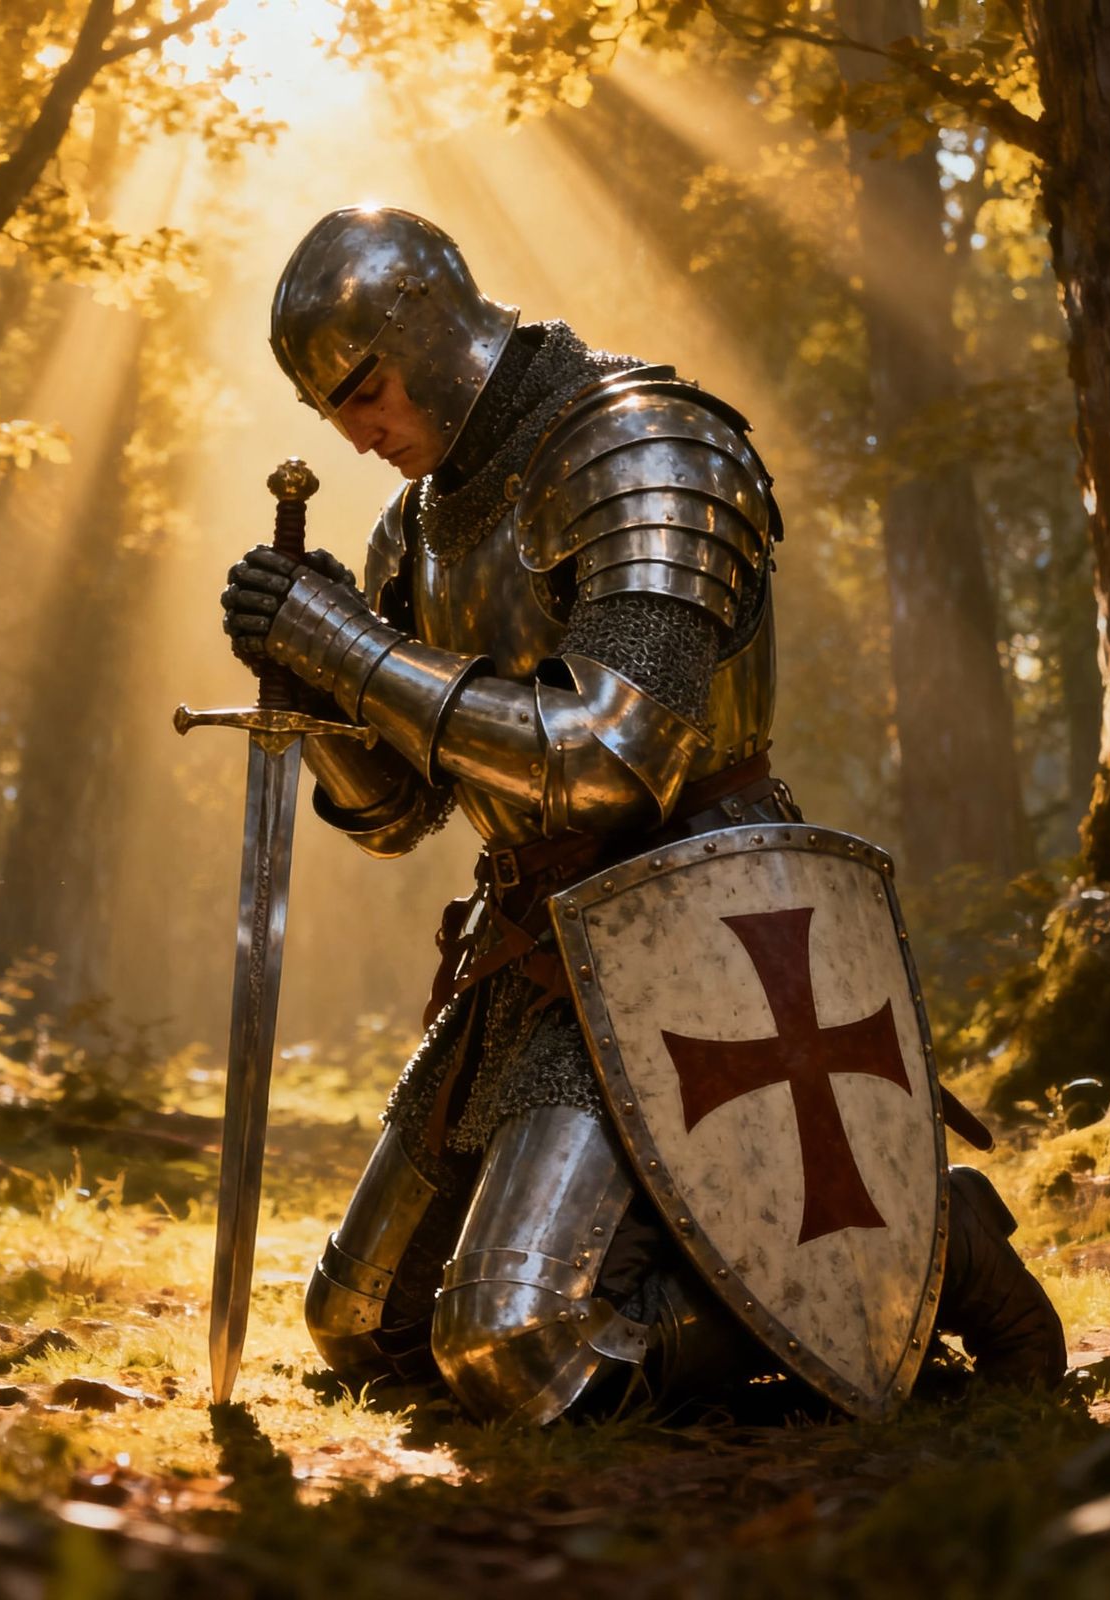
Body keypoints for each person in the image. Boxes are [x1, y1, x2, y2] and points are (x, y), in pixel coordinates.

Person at [221, 206, 1064, 1424]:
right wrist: (321, 684)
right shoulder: (414, 527)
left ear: (433, 327)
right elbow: (404, 807)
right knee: (359, 1324)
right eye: (331, 414)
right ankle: (773, 1264)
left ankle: (924, 1269)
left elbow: (613, 756)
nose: (358, 435)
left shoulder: (642, 450)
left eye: (364, 389)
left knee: (524, 1349)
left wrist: (349, 649)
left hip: (695, 920)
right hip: (534, 944)